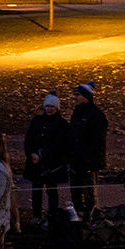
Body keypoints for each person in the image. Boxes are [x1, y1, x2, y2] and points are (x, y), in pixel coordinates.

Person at [24, 94, 70, 228]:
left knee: (52, 191)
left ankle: (52, 217)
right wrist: (31, 153)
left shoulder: (62, 124)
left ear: (57, 108)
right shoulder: (36, 121)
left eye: (52, 106)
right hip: (35, 163)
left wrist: (43, 154)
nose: (49, 109)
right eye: (47, 106)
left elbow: (60, 144)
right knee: (36, 189)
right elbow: (29, 139)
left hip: (52, 164)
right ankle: (36, 216)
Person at [67, 81, 107, 217]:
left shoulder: (96, 115)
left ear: (86, 96)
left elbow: (97, 142)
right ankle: (79, 219)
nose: (75, 97)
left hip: (88, 163)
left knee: (89, 194)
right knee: (76, 194)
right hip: (75, 161)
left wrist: (88, 161)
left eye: (78, 95)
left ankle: (91, 220)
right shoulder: (77, 113)